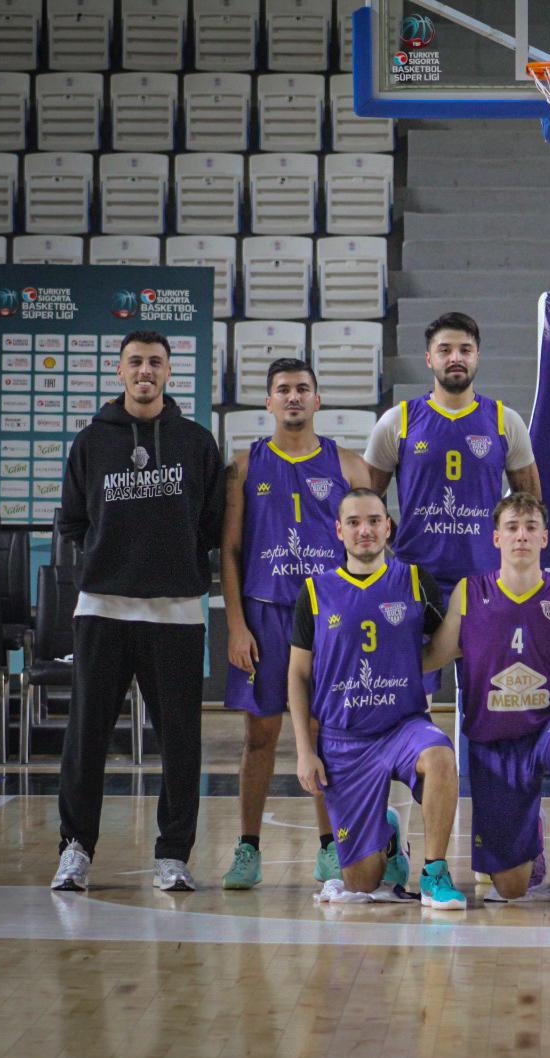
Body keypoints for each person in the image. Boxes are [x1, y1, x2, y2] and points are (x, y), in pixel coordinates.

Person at [51, 329, 226, 892]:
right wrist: (111, 560)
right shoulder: (90, 442)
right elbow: (72, 521)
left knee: (180, 743)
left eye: (154, 361)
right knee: (86, 738)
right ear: (120, 370)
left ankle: (172, 855)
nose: (144, 370)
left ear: (169, 371)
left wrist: (175, 563)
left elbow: (211, 524)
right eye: (135, 362)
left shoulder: (196, 443)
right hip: (103, 608)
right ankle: (75, 850)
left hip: (175, 612)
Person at [219, 358, 372, 890]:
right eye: (282, 389)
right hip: (264, 614)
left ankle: (330, 847)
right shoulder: (244, 466)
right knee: (260, 735)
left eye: (302, 388)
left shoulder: (349, 466)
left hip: (328, 618)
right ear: (268, 401)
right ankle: (248, 848)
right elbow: (230, 550)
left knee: (322, 734)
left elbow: (370, 550)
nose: (293, 397)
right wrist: (236, 625)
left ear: (317, 399)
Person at [422, 492, 550, 913]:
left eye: (530, 527)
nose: (521, 535)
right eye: (512, 527)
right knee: (510, 887)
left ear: (545, 538)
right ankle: (531, 838)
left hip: (549, 724)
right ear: (496, 538)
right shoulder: (470, 593)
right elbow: (436, 655)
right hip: (494, 741)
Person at [288, 488, 465, 909]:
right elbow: (297, 674)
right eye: (354, 522)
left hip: (403, 726)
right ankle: (386, 838)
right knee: (361, 883)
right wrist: (304, 751)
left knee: (441, 756)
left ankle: (434, 872)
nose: (364, 530)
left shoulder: (415, 581)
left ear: (388, 527)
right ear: (339, 530)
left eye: (373, 521)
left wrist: (461, 607)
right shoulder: (315, 591)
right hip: (345, 740)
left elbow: (443, 646)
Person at [363, 311, 541, 697]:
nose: (455, 357)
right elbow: (364, 503)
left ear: (478, 356)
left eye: (465, 349)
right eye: (445, 350)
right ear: (429, 358)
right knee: (413, 698)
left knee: (488, 699)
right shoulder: (398, 421)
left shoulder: (505, 421)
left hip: (484, 580)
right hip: (416, 581)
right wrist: (393, 540)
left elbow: (530, 504)